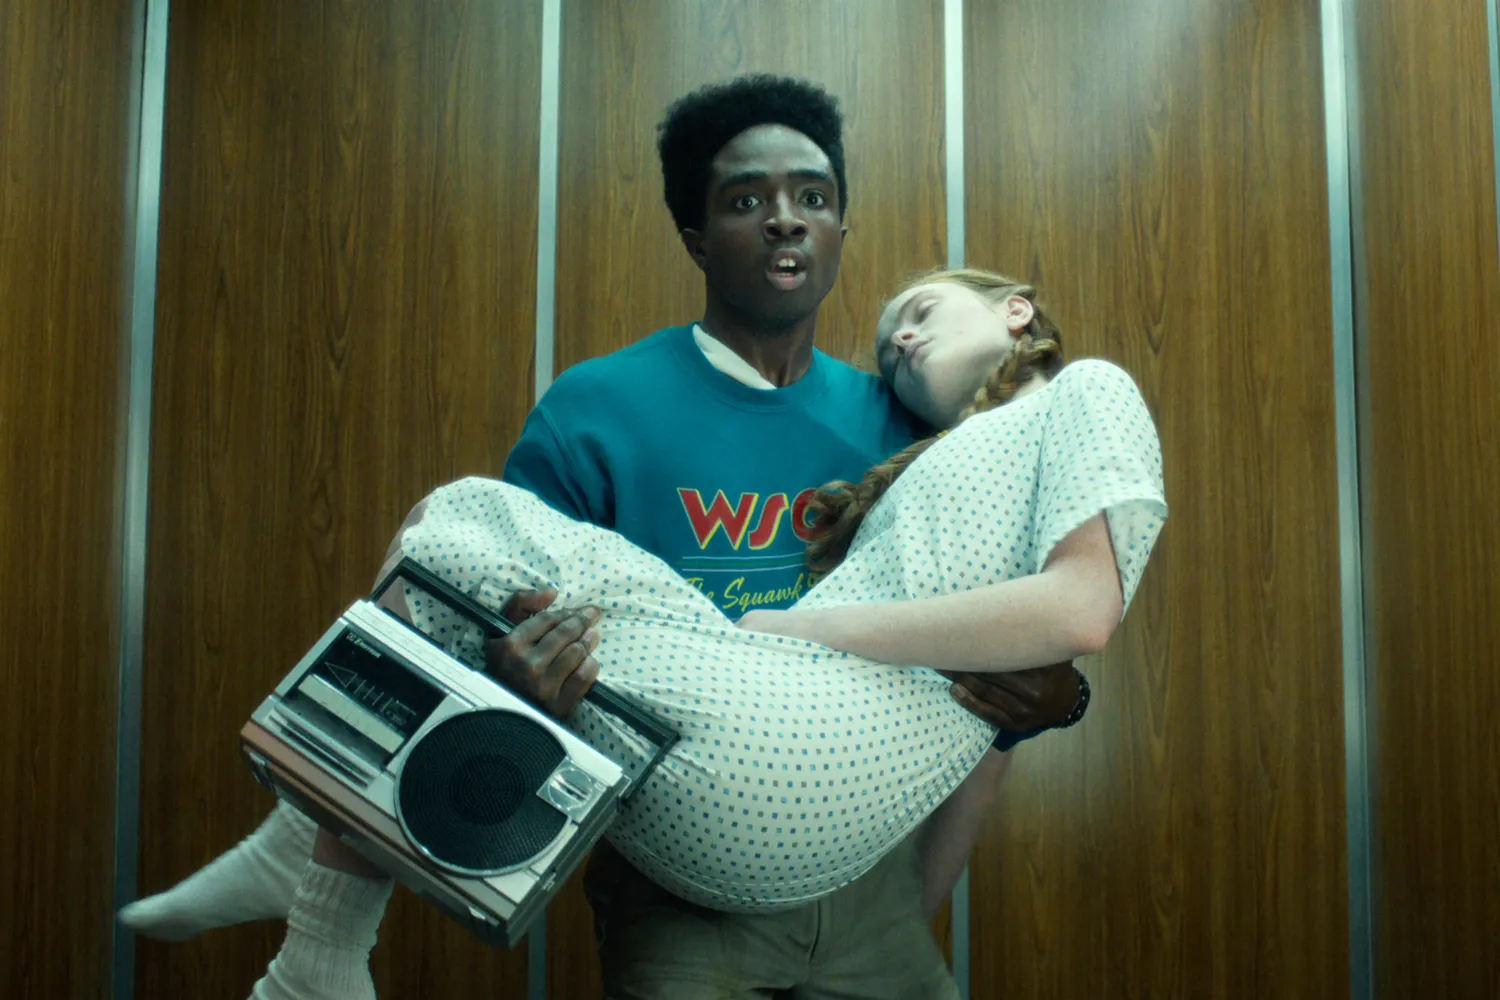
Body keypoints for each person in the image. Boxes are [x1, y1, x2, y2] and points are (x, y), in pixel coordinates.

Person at [120, 76, 1101, 995]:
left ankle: (303, 846)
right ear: (696, 237)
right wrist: (516, 674)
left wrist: (1058, 696)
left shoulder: (910, 426)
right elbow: (468, 625)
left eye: (812, 196)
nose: (785, 217)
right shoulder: (595, 409)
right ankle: (316, 853)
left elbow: (1000, 619)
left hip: (865, 867)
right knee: (450, 537)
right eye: (746, 200)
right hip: (674, 880)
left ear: (841, 228)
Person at [239, 263, 1165, 999]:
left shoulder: (1086, 388)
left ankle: (320, 890)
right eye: (888, 351)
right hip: (766, 771)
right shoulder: (939, 457)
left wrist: (803, 628)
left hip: (813, 766)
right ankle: (323, 843)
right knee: (452, 540)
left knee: (457, 523)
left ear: (1016, 310)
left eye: (920, 313)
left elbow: (1082, 609)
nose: (901, 343)